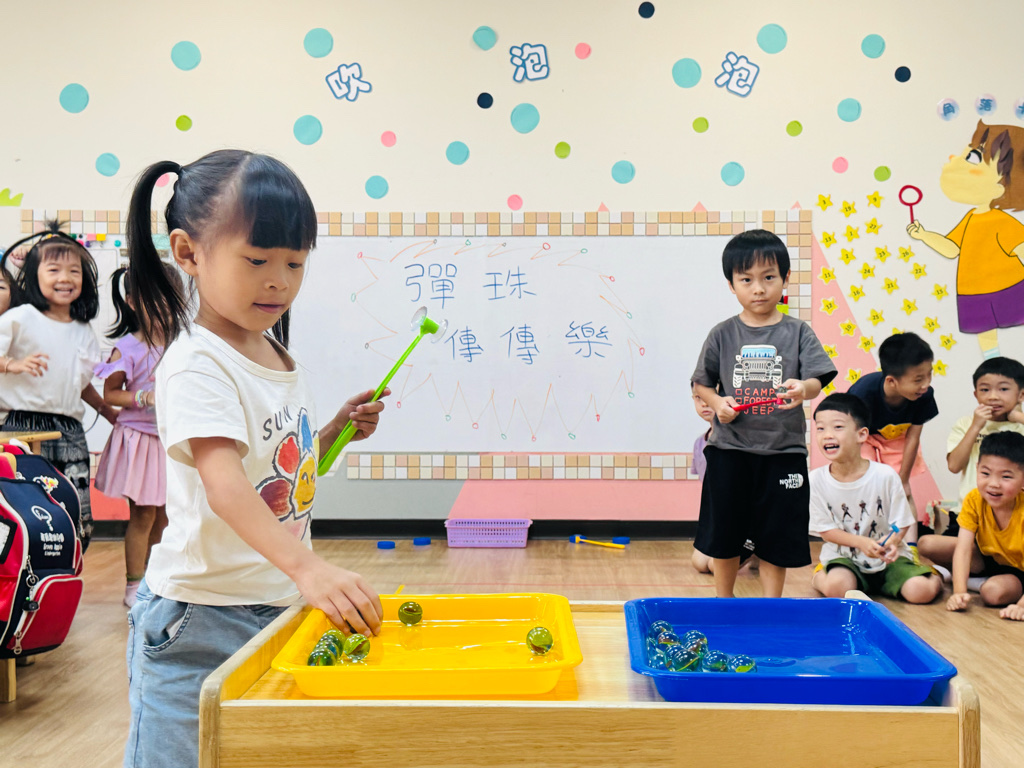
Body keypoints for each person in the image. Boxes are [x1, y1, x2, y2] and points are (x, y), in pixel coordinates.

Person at [122, 150, 388, 768]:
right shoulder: (197, 362)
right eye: (257, 260)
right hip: (199, 617)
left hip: (273, 602)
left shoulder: (273, 353)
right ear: (188, 253)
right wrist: (309, 568)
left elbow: (281, 473)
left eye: (295, 263)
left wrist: (334, 433)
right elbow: (225, 486)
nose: (279, 281)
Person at [691, 228, 836, 598]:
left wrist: (804, 388)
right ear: (731, 285)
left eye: (769, 277)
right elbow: (702, 384)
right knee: (725, 533)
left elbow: (818, 379)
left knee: (777, 536)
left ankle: (773, 605)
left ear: (785, 279)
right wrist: (717, 403)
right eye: (747, 280)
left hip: (783, 453)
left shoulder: (798, 331)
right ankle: (724, 600)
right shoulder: (722, 334)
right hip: (729, 451)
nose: (758, 289)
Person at [0, 224, 118, 547]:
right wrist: (12, 364)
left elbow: (79, 383)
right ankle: (22, 573)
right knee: (20, 509)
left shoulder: (83, 331)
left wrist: (107, 410)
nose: (65, 278)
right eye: (53, 270)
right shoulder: (19, 318)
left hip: (69, 430)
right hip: (22, 427)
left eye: (73, 271)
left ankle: (66, 571)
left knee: (73, 511)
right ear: (35, 275)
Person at [93, 265, 184, 607]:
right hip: (139, 439)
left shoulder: (183, 345)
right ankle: (134, 585)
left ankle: (154, 579)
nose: (163, 303)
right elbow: (111, 394)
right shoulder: (128, 348)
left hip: (170, 441)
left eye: (169, 295)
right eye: (153, 296)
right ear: (132, 302)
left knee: (166, 515)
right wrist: (144, 397)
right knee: (143, 514)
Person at [907, 120, 1024, 359]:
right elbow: (952, 249)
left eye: (973, 157)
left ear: (1000, 187)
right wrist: (924, 235)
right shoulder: (971, 217)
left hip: (1009, 287)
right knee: (986, 335)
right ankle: (992, 366)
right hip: (973, 291)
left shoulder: (1001, 221)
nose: (954, 158)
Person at [808, 393, 940, 603]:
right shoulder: (815, 480)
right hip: (844, 558)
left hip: (887, 558)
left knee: (920, 592)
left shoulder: (885, 475)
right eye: (821, 428)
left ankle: (935, 574)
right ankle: (821, 575)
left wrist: (893, 542)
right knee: (838, 588)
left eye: (838, 427)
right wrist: (861, 543)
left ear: (861, 435)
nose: (827, 435)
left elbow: (901, 522)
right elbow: (825, 530)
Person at [923, 357, 1024, 549]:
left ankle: (983, 562)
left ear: (1021, 395)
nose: (993, 396)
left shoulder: (1021, 426)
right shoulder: (965, 424)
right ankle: (978, 561)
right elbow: (954, 466)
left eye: (1003, 389)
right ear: (976, 395)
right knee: (928, 546)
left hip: (1012, 518)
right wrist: (976, 427)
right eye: (985, 390)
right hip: (968, 514)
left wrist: (1019, 417)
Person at [848, 332, 938, 543]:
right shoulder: (862, 393)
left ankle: (910, 546)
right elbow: (850, 435)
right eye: (918, 379)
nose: (926, 384)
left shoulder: (923, 396)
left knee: (902, 491)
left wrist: (903, 480)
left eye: (929, 375)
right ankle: (865, 543)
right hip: (862, 437)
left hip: (898, 438)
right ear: (891, 381)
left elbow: (913, 438)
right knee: (868, 483)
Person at [938, 432, 1024, 621]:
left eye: (1006, 477)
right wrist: (958, 593)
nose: (994, 484)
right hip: (994, 562)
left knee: (992, 593)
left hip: (1019, 572)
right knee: (927, 543)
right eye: (985, 473)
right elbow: (963, 549)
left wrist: (1021, 606)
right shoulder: (974, 499)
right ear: (977, 468)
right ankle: (969, 581)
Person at [689, 389, 756, 574]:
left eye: (710, 398)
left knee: (715, 565)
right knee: (699, 563)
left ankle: (754, 547)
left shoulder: (739, 443)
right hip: (720, 517)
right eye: (698, 398)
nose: (704, 403)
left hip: (743, 518)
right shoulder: (700, 442)